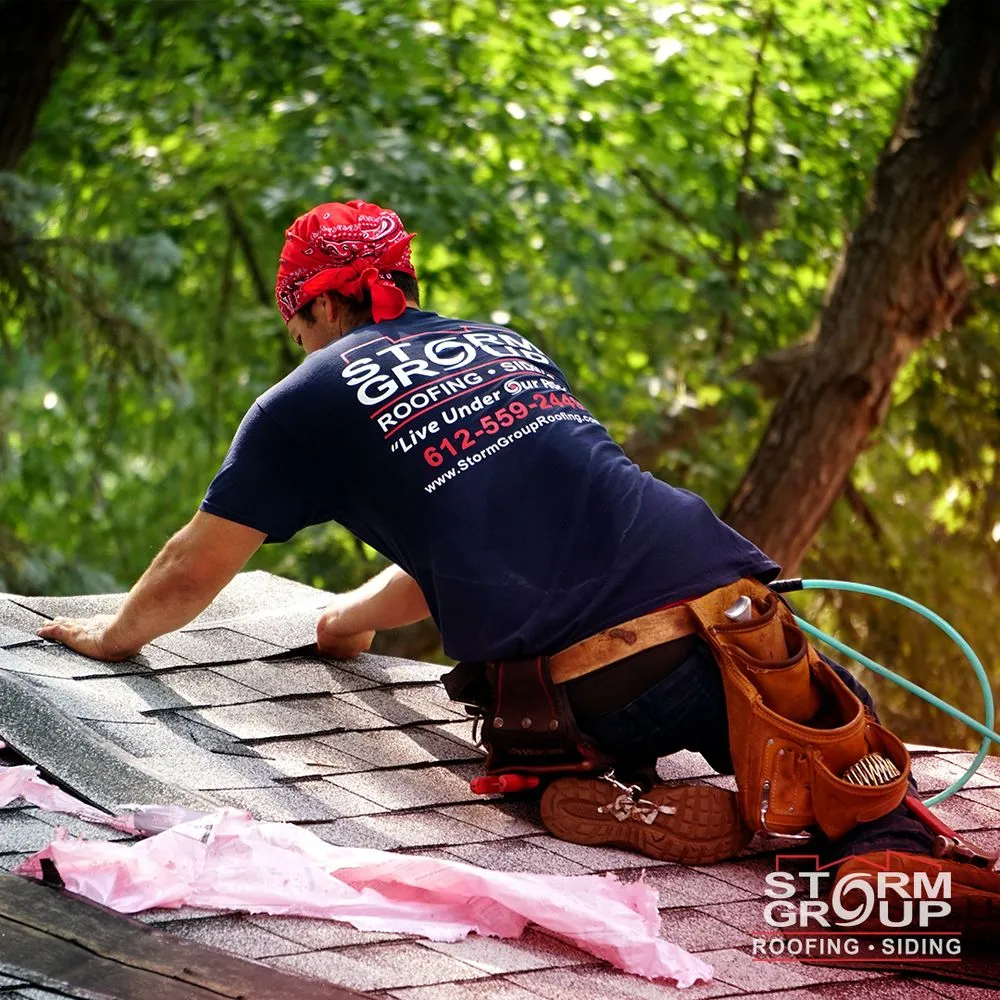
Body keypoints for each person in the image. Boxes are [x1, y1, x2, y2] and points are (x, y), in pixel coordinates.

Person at [37, 200, 999, 949]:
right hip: (735, 615)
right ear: (401, 281)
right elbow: (461, 550)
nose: (301, 339)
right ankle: (892, 861)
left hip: (602, 686)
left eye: (298, 320)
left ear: (319, 303)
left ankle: (609, 796)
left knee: (535, 730)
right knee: (848, 770)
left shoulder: (304, 401)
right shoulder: (503, 343)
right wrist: (345, 621)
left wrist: (111, 636)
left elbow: (193, 564)